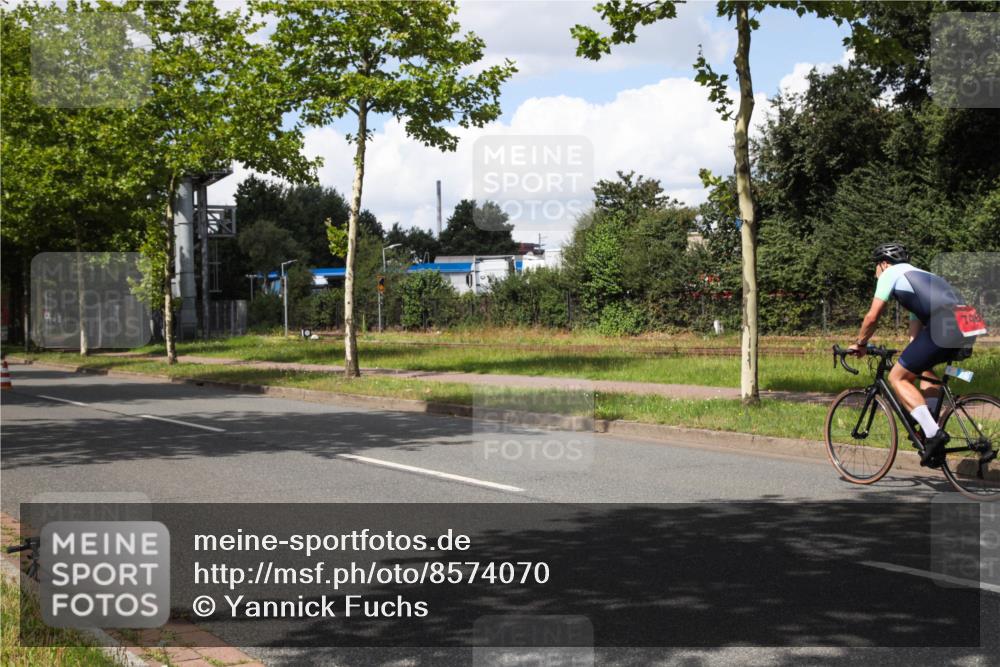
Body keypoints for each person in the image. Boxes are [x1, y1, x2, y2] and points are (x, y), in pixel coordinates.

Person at [848, 242, 984, 468]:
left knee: (896, 378)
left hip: (946, 322)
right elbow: (916, 335)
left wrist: (860, 343)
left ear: (883, 263)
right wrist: (909, 357)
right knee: (920, 368)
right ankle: (929, 419)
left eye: (875, 266)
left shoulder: (889, 274)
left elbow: (872, 317)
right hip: (970, 320)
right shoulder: (919, 276)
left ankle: (933, 434)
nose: (875, 272)